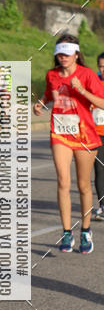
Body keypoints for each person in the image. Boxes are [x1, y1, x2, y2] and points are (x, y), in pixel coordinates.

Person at [33, 34, 104, 253]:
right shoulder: (52, 75)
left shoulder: (87, 74)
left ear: (76, 54)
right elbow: (48, 93)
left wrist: (81, 89)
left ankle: (85, 230)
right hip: (60, 133)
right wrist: (41, 104)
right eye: (59, 54)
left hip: (85, 135)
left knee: (83, 185)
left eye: (67, 53)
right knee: (63, 181)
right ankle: (66, 232)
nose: (63, 57)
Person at [93, 51, 104, 220]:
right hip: (97, 132)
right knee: (100, 169)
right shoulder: (92, 82)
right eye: (101, 66)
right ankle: (102, 205)